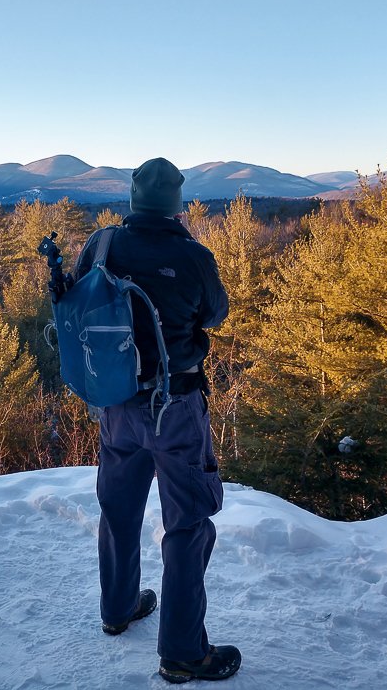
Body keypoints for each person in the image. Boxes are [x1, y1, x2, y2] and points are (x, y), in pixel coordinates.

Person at [73, 157, 241, 684]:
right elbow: (215, 313)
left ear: (133, 197)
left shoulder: (100, 245)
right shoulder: (193, 257)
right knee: (187, 523)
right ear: (175, 203)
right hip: (177, 406)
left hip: (116, 402)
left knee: (118, 507)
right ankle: (183, 652)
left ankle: (119, 607)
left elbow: (78, 300)